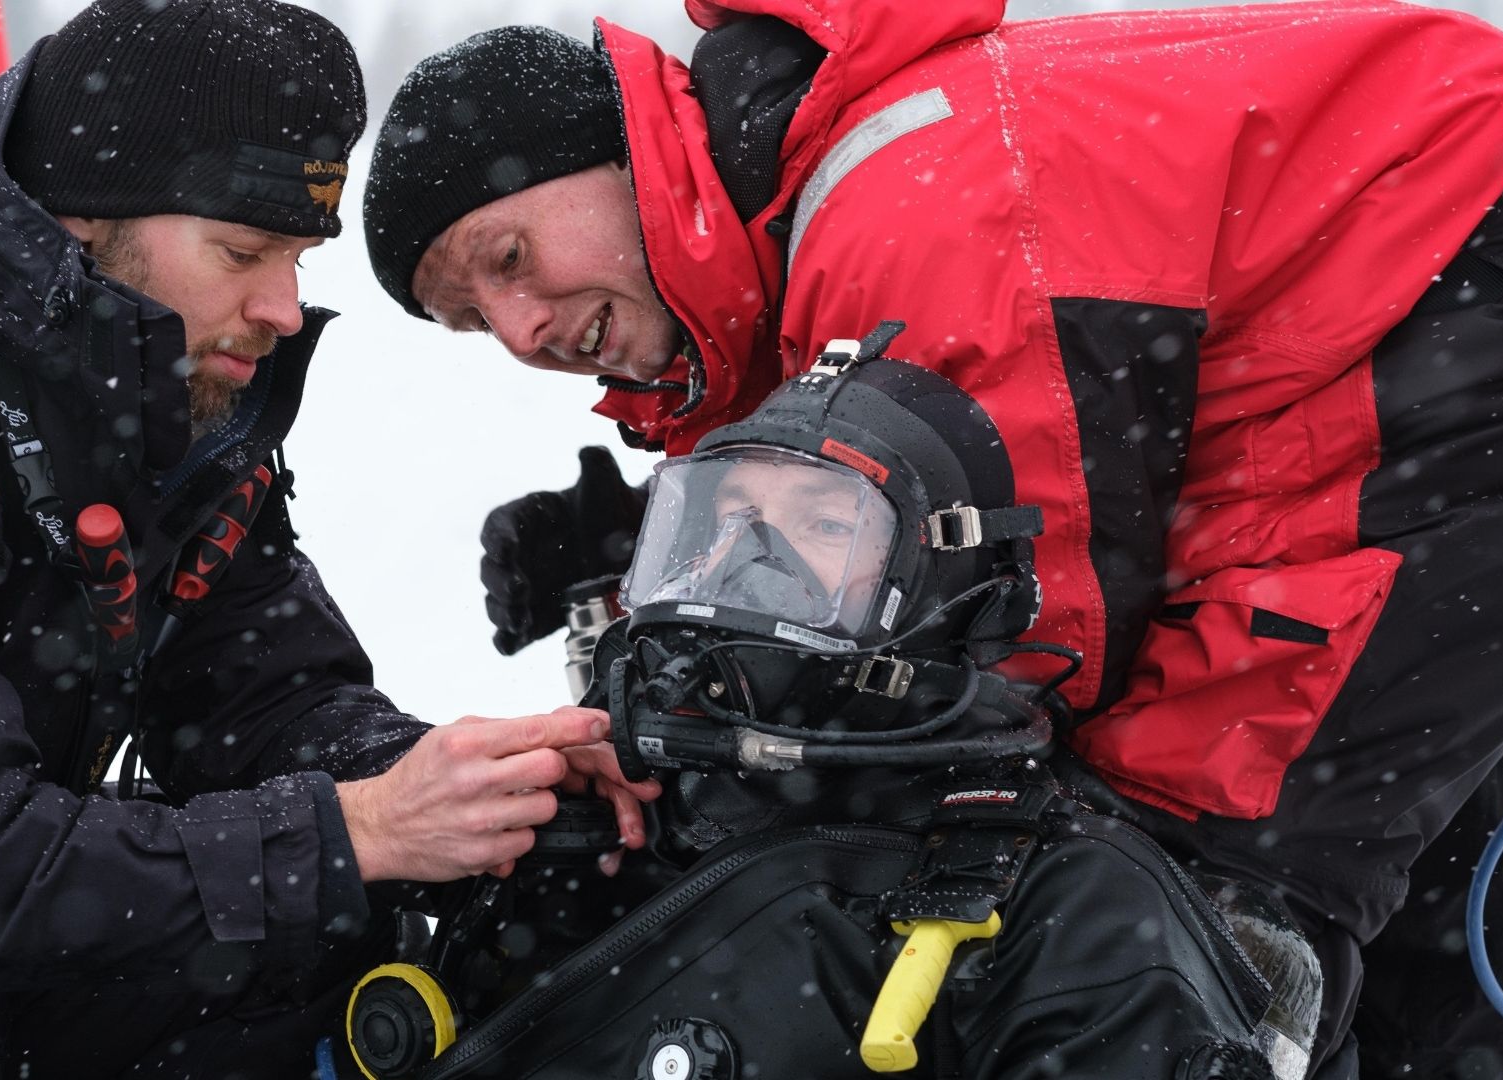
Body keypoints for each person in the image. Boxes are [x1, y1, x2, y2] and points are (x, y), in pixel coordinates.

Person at [359, 6, 1503, 1078]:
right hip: (1409, 334)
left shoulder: (899, 212)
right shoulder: (815, 232)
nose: (519, 330)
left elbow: (1012, 629)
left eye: (509, 260)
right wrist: (646, 558)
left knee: (1210, 836)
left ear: (625, 153)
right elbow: (915, 509)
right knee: (1434, 855)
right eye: (474, 322)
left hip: (1500, 306)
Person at [0, 2, 651, 1075]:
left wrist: (459, 787)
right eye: (245, 250)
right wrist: (356, 830)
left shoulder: (159, 393)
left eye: (299, 259)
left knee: (432, 983)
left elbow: (262, 701)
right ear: (87, 221)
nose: (283, 307)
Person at [344, 351, 1305, 1080]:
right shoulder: (594, 815)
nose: (744, 560)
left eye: (825, 524)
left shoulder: (1064, 910)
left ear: (945, 581)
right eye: (721, 518)